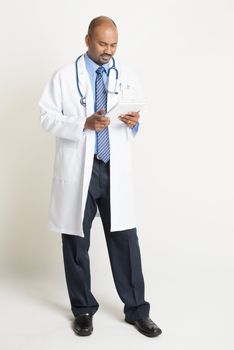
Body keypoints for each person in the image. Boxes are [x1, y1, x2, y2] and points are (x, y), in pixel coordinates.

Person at [38, 16, 162, 338]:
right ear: (87, 40)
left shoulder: (128, 76)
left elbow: (139, 113)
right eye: (102, 44)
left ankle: (137, 310)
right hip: (81, 167)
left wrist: (135, 121)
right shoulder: (64, 77)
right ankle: (82, 310)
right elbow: (46, 117)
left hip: (114, 168)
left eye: (113, 45)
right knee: (77, 242)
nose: (108, 51)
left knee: (125, 240)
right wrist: (83, 124)